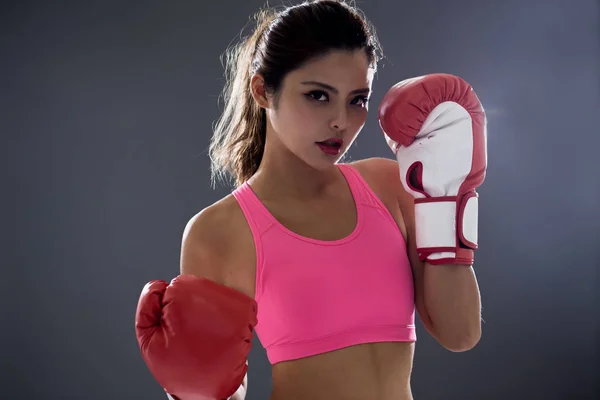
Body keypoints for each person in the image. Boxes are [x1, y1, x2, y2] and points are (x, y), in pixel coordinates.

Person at [134, 1, 487, 399]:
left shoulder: (390, 186)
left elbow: (461, 334)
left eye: (357, 100)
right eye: (318, 95)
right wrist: (188, 387)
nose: (340, 120)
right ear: (262, 90)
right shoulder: (221, 231)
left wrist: (444, 197)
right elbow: (216, 390)